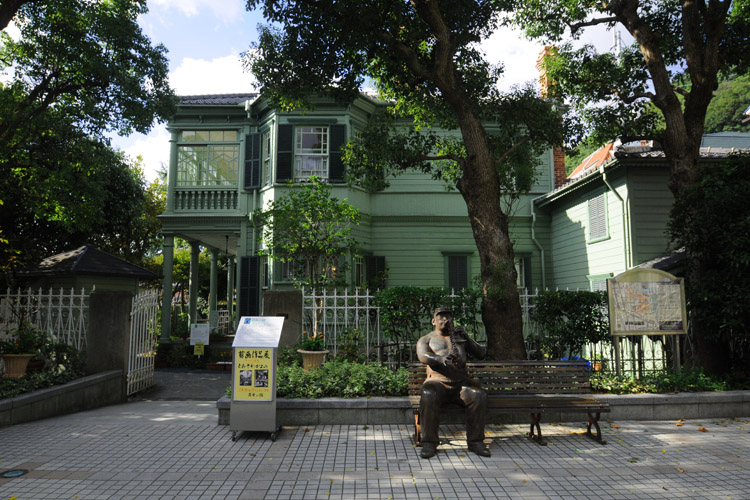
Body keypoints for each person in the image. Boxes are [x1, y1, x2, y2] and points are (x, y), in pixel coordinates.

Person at [415, 307, 490, 459]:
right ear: (433, 321)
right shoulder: (426, 339)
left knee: (478, 395)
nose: (445, 320)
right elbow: (423, 356)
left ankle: (475, 441)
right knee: (428, 394)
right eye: (441, 317)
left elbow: (480, 354)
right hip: (437, 382)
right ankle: (429, 442)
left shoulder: (459, 339)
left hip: (461, 383)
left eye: (448, 317)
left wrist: (467, 338)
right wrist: (439, 359)